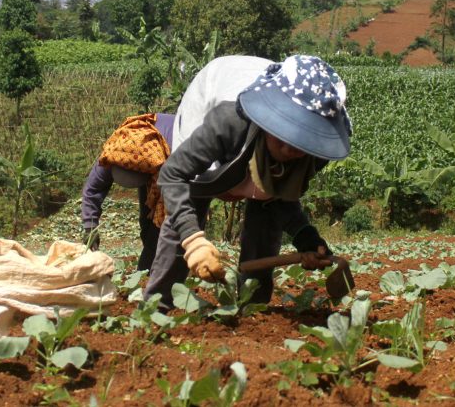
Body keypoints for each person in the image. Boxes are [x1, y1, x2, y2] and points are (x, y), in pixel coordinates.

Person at [145, 54, 352, 308]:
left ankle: (252, 305)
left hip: (249, 131)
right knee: (188, 207)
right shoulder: (228, 122)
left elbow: (281, 201)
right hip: (211, 96)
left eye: (303, 139)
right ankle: (157, 307)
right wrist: (193, 239)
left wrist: (307, 239)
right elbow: (173, 175)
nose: (291, 148)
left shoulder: (315, 155)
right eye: (285, 133)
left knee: (266, 216)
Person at [81, 112, 175, 271]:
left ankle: (155, 269)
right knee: (145, 221)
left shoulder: (166, 158)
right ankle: (150, 266)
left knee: (160, 227)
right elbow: (92, 190)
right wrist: (90, 228)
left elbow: (164, 218)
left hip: (168, 158)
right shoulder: (111, 155)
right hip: (148, 156)